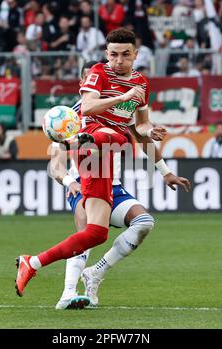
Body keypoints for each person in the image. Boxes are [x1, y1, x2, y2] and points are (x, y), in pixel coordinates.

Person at [15, 28, 168, 298]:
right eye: (113, 56)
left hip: (110, 176)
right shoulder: (71, 114)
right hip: (87, 168)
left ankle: (69, 269)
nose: (118, 61)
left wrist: (149, 133)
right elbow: (83, 114)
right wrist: (68, 179)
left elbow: (141, 127)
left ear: (136, 55)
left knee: (106, 232)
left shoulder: (141, 84)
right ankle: (68, 293)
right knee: (114, 137)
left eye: (125, 55)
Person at [52, 61, 191, 310]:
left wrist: (165, 171)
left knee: (144, 223)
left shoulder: (116, 114)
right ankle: (67, 294)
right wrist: (69, 181)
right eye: (89, 82)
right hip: (84, 185)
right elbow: (56, 164)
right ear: (82, 85)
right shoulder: (68, 120)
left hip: (113, 187)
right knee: (85, 232)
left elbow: (141, 137)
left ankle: (95, 274)